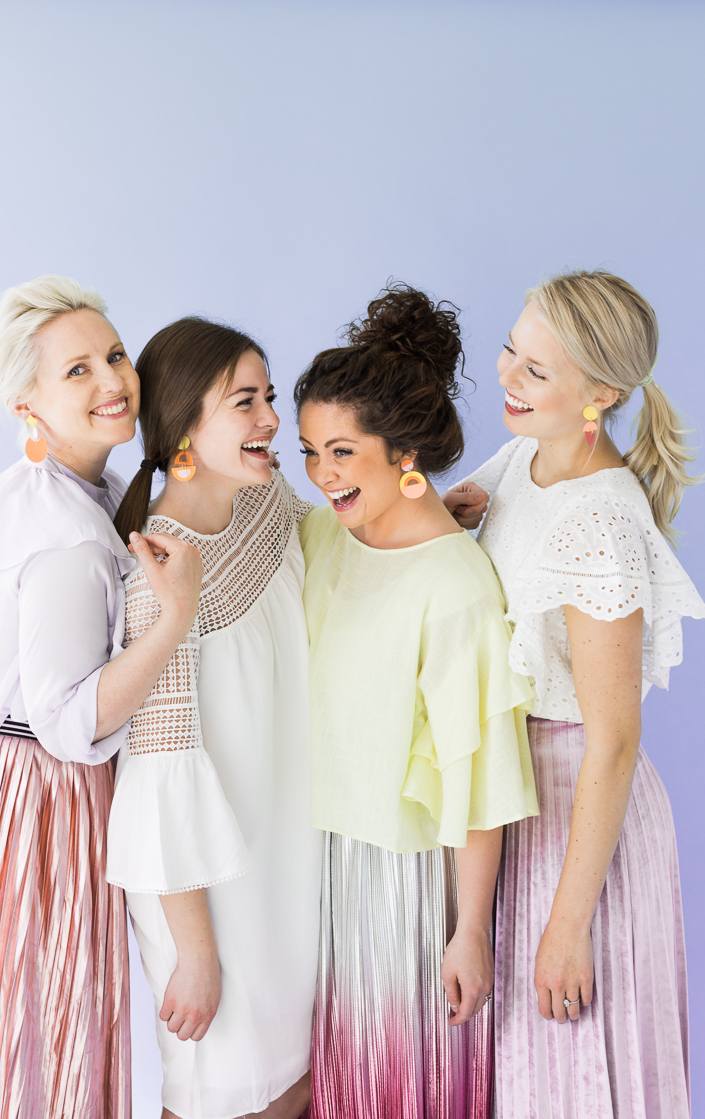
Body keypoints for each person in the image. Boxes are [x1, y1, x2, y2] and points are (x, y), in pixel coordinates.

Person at [445, 269, 704, 1119]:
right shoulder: (526, 458)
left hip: (577, 822)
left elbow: (615, 739)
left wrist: (568, 924)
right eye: (511, 352)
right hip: (517, 803)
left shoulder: (600, 520)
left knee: (571, 1079)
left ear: (603, 395)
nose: (507, 377)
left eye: (536, 370)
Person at [0, 276, 203, 1118]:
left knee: (20, 1033)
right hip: (35, 796)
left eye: (114, 355)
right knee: (42, 1039)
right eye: (78, 370)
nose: (113, 380)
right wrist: (172, 622)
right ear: (27, 404)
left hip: (5, 778)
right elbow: (67, 721)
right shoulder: (65, 535)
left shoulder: (55, 488)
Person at [294, 284, 538, 1119]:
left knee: (402, 1092)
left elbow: (479, 777)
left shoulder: (457, 587)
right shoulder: (324, 535)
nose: (323, 474)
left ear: (403, 452)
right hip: (317, 871)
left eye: (342, 452)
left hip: (403, 891)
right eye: (309, 452)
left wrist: (470, 929)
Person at [107, 316, 321, 1119]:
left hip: (284, 857)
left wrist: (429, 515)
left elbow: (337, 549)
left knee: (292, 1087)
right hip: (210, 894)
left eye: (269, 395)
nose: (272, 418)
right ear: (185, 426)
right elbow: (159, 776)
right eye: (245, 402)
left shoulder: (264, 503)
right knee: (221, 1094)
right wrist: (194, 953)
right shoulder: (159, 574)